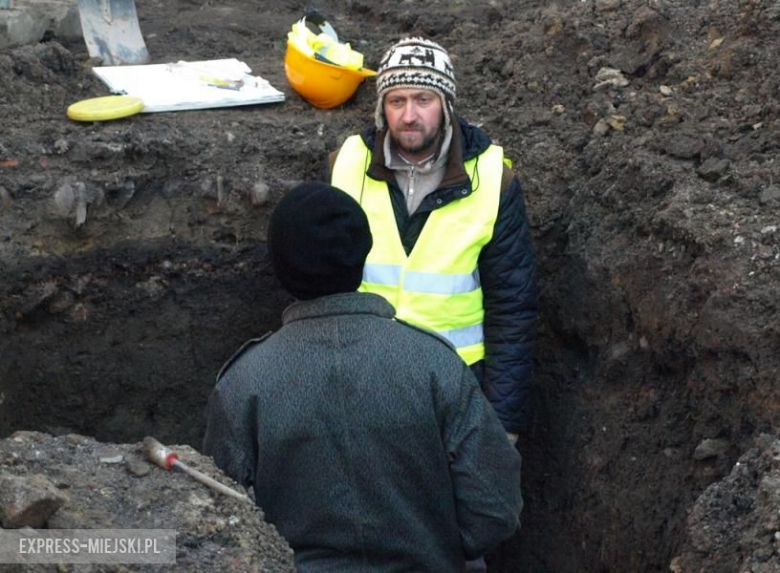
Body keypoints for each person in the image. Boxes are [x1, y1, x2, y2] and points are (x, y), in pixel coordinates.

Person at [202, 182, 523, 572]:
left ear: (280, 267)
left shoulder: (242, 384)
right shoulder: (435, 365)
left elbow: (221, 519)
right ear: (364, 253)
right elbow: (495, 508)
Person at [327, 37, 538, 446]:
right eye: (396, 100)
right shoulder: (345, 165)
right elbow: (317, 286)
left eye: (423, 99)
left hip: (455, 388)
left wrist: (504, 421)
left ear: (445, 103)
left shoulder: (494, 179)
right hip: (362, 379)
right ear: (381, 108)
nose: (409, 115)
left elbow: (512, 307)